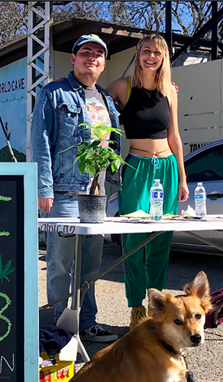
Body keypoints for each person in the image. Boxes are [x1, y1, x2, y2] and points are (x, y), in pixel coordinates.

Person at [30, 34, 120, 342]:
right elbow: (40, 142)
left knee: (91, 266)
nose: (91, 58)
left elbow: (114, 144)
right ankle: (57, 328)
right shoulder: (53, 93)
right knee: (60, 264)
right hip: (64, 194)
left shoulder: (107, 99)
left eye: (97, 54)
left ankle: (86, 323)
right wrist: (44, 188)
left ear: (103, 63)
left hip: (97, 196)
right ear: (73, 58)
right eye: (85, 53)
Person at [106, 34, 189, 329]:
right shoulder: (122, 86)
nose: (151, 56)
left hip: (166, 167)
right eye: (146, 51)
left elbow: (175, 136)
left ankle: (159, 308)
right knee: (133, 241)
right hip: (137, 167)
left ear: (164, 58)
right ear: (138, 54)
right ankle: (135, 307)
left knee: (160, 240)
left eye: (157, 52)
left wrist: (182, 176)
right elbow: (95, 107)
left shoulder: (170, 91)